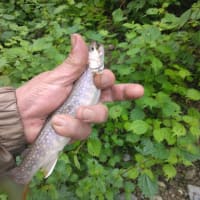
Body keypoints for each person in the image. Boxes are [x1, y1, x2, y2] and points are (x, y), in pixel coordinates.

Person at [0, 34, 144, 173]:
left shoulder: (94, 72)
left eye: (95, 50)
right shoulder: (90, 71)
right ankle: (19, 178)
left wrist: (13, 118)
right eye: (93, 50)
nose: (98, 50)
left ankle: (19, 178)